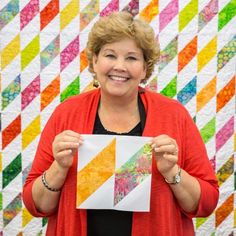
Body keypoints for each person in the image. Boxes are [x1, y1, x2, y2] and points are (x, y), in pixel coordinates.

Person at [23, 11, 219, 236]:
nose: (120, 66)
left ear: (145, 68)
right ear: (95, 61)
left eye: (132, 58)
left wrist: (172, 171)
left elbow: (206, 202)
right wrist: (59, 168)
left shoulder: (174, 115)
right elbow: (36, 205)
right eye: (110, 55)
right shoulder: (67, 113)